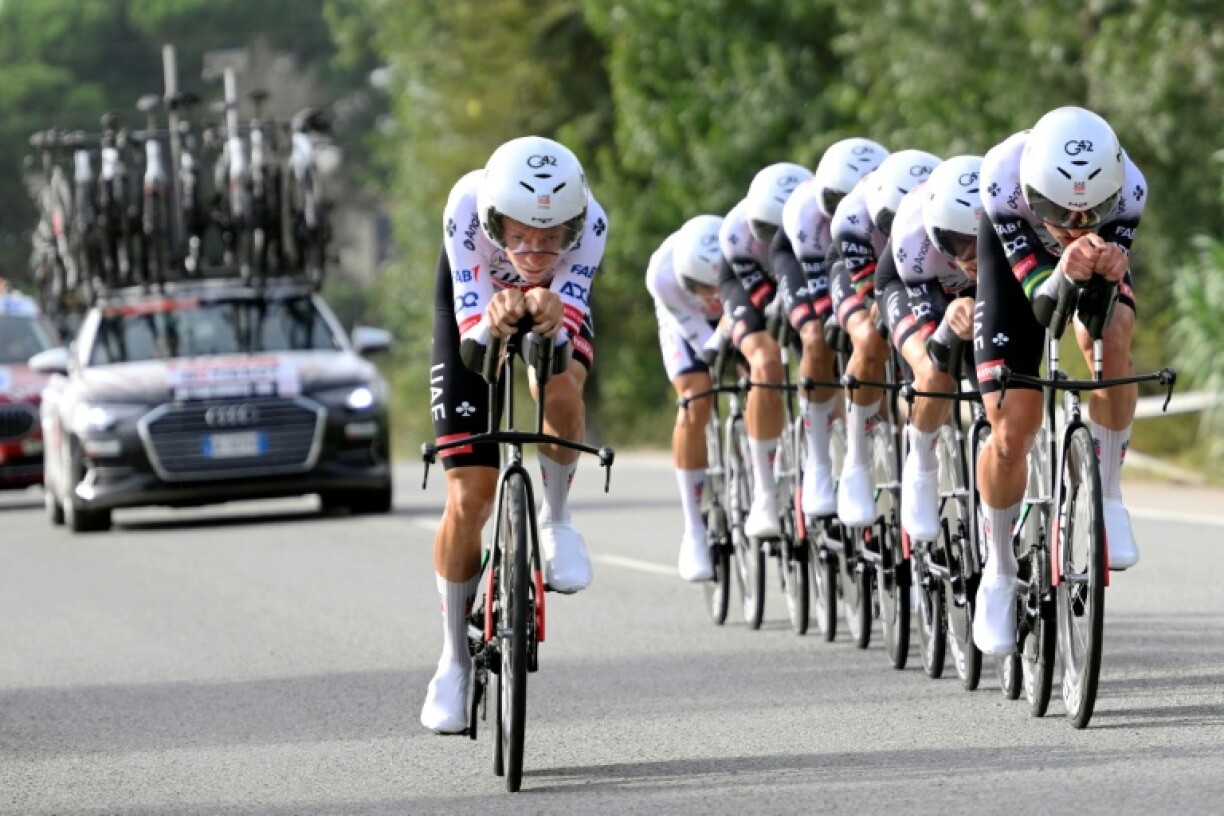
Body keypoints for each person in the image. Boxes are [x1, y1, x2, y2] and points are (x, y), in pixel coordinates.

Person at [421, 135, 608, 733]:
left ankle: (554, 519)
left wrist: (549, 320)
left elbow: (560, 337)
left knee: (558, 388)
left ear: (574, 228)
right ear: (493, 221)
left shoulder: (594, 224)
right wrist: (492, 321)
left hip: (552, 309)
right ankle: (452, 659)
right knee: (468, 496)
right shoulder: (463, 208)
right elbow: (478, 351)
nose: (533, 249)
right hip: (472, 310)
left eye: (551, 237)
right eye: (520, 233)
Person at [972, 106, 1146, 655]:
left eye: (1092, 213)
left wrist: (1108, 267)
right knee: (1012, 428)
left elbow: (1090, 316)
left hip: (1084, 270)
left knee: (1114, 332)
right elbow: (1043, 305)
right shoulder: (1002, 179)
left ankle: (1110, 497)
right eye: (1059, 213)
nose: (1076, 224)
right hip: (1020, 275)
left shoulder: (1131, 189)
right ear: (1032, 193)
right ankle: (998, 570)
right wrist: (1065, 267)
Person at [773, 138, 889, 522]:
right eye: (840, 200)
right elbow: (826, 302)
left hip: (867, 248)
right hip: (807, 255)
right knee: (818, 338)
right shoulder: (806, 214)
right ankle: (819, 462)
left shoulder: (886, 206)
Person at [871, 155, 984, 542]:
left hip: (970, 290)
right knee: (935, 374)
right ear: (941, 235)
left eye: (981, 242)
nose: (971, 255)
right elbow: (934, 334)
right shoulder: (913, 238)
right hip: (910, 284)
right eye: (960, 244)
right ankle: (920, 464)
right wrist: (947, 319)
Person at [830, 148, 940, 526]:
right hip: (871, 273)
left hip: (929, 261)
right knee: (870, 337)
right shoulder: (852, 218)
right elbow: (876, 295)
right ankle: (856, 460)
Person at [718, 162, 811, 539]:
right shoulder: (737, 234)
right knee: (767, 361)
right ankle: (764, 491)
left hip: (802, 270)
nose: (775, 242)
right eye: (768, 231)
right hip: (744, 282)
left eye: (783, 232)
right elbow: (767, 303)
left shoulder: (814, 223)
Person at [645, 214, 726, 580]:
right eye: (701, 287)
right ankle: (693, 529)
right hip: (683, 320)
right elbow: (704, 346)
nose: (711, 297)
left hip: (738, 302)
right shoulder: (663, 275)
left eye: (716, 286)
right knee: (696, 397)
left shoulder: (743, 251)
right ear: (685, 279)